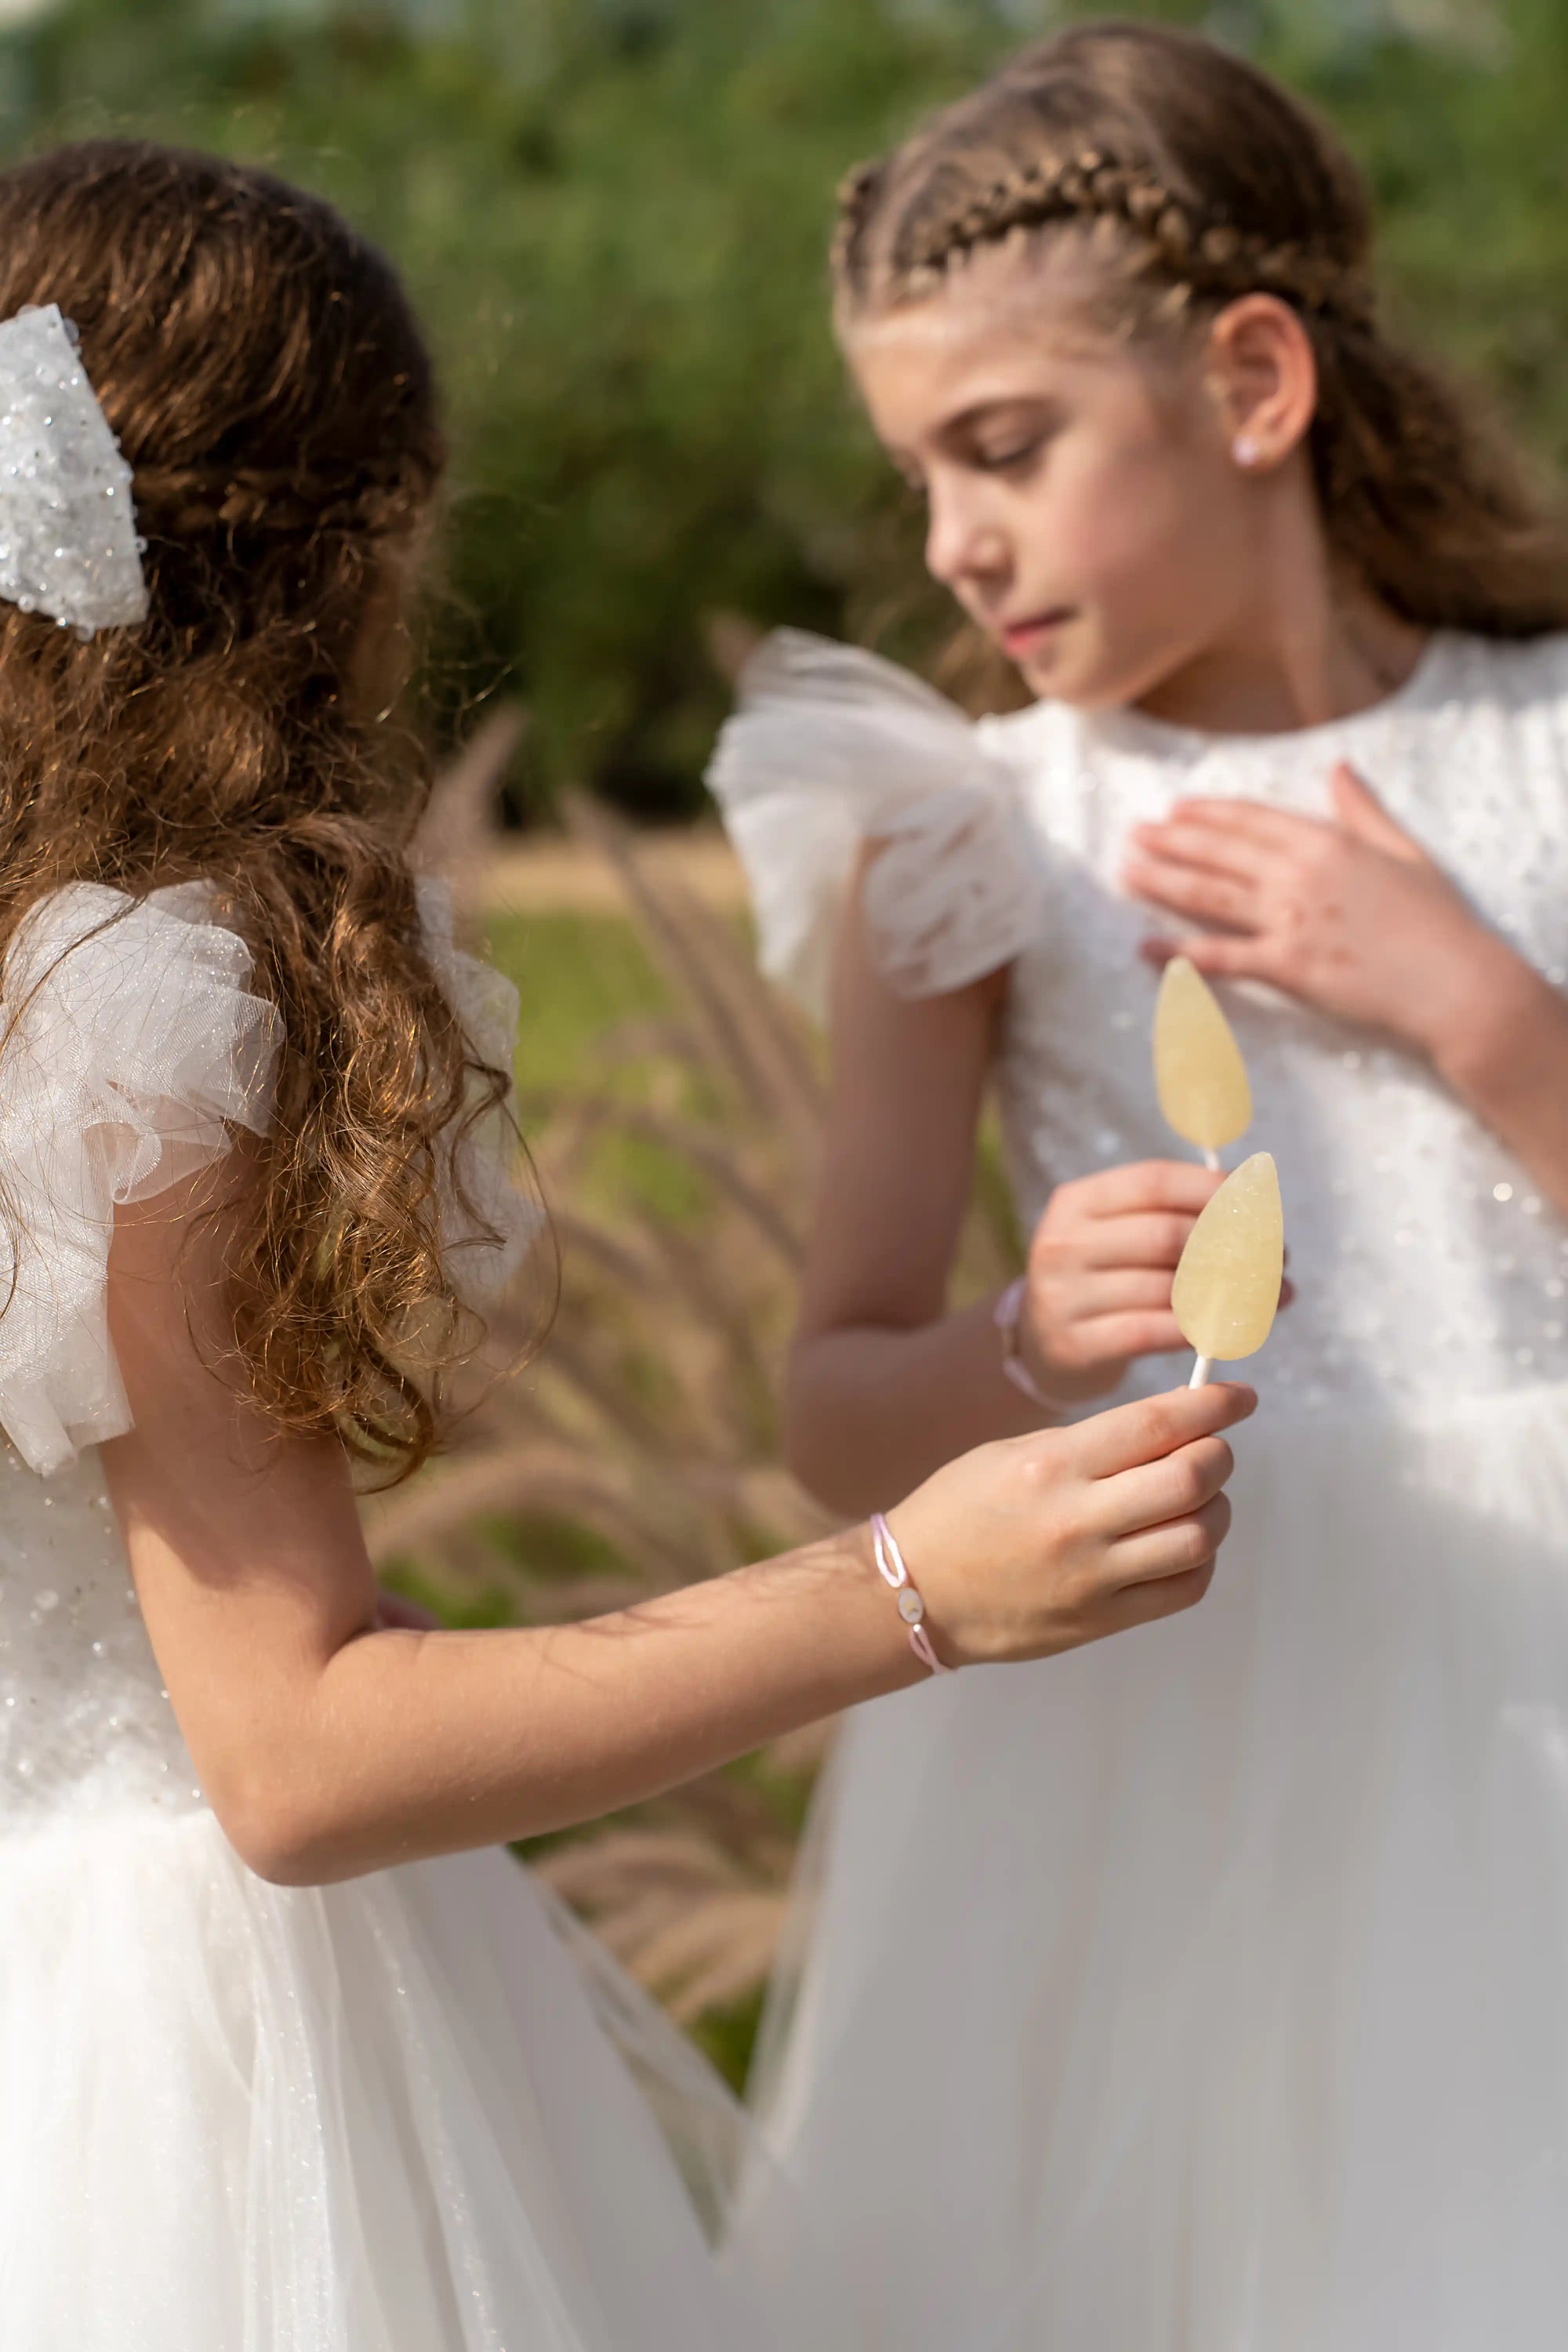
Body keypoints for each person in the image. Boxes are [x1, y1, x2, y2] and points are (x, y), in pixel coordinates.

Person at [0, 140, 1251, 2350]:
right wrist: (912, 1591)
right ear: (341, 549)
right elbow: (291, 1760)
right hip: (176, 2093)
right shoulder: (138, 1006)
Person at [708, 21, 1568, 2349]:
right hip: (1148, 1774)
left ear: (1255, 382)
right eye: (915, 473)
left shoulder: (1551, 745)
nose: (947, 542)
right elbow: (834, 1405)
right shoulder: (976, 831)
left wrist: (1487, 1018)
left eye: (1004, 449)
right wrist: (1018, 1346)